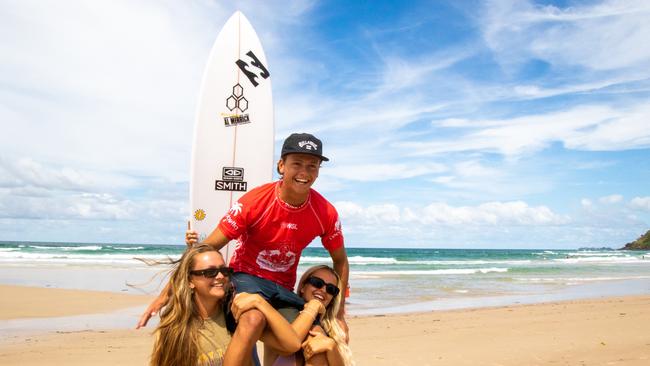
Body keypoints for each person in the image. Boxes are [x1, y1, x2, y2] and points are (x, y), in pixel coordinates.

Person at [138, 133, 350, 366]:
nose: (304, 172)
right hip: (246, 279)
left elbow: (340, 260)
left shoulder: (325, 212)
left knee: (314, 340)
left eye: (312, 166)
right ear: (281, 166)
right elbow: (204, 249)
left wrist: (339, 315)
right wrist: (165, 295)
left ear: (318, 171)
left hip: (283, 287)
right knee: (253, 319)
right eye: (296, 163)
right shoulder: (256, 202)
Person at [150, 244, 308, 366]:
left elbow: (291, 345)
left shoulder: (237, 314)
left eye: (224, 270)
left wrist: (260, 302)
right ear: (190, 280)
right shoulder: (177, 329)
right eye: (209, 272)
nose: (220, 276)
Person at [233, 265, 353, 366]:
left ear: (332, 298)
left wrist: (331, 346)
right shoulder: (279, 316)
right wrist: (314, 306)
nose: (323, 290)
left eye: (331, 289)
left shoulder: (336, 331)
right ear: (303, 287)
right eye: (317, 283)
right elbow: (292, 342)